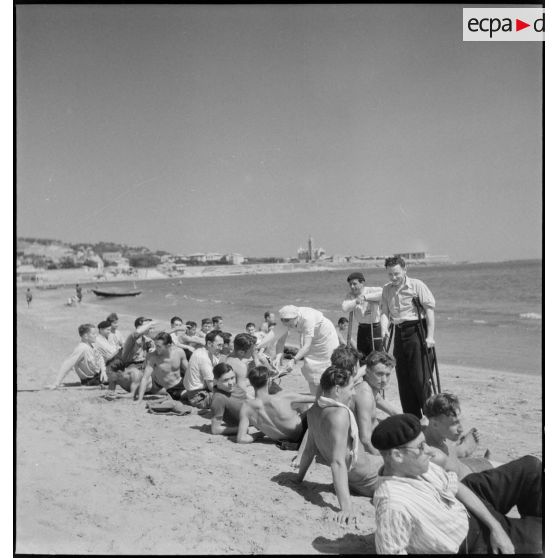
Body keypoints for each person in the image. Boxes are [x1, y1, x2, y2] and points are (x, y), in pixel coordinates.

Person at [371, 413, 542, 554]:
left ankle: (526, 523)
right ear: (397, 456)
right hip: (469, 540)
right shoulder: (393, 505)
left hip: (464, 504)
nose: (429, 451)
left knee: (531, 467)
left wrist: (495, 526)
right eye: (421, 446)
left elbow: (458, 487)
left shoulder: (414, 466)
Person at [294, 366, 384, 524]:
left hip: (353, 481)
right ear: (337, 389)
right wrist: (346, 508)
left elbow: (309, 450)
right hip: (372, 480)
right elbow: (338, 462)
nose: (354, 393)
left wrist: (298, 480)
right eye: (350, 388)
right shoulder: (339, 414)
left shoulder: (314, 410)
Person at [380, 256, 436, 418]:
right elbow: (385, 313)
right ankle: (413, 418)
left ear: (405, 270)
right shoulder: (387, 289)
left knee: (420, 378)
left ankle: (431, 416)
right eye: (390, 274)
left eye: (396, 273)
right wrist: (384, 329)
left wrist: (430, 337)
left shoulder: (417, 285)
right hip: (399, 332)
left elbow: (430, 311)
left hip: (417, 331)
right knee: (403, 379)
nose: (394, 277)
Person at [258, 305, 339, 395]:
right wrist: (277, 357)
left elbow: (307, 346)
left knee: (328, 365)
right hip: (309, 338)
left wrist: (293, 360)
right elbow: (280, 342)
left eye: (288, 320)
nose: (285, 323)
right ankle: (316, 396)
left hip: (325, 337)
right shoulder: (285, 320)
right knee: (310, 367)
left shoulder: (307, 319)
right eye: (283, 320)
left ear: (296, 317)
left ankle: (331, 393)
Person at [237, 366, 315, 445]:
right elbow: (317, 399)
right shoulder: (283, 396)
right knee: (306, 405)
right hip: (305, 433)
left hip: (286, 441)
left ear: (251, 383)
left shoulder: (246, 407)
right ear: (269, 380)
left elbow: (241, 439)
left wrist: (258, 435)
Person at [423, 393, 494, 479]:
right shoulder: (433, 456)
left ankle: (461, 450)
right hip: (472, 480)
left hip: (467, 466)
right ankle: (463, 450)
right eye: (454, 423)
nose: (461, 429)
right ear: (434, 424)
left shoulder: (426, 427)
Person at [352, 351, 399, 455]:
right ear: (367, 372)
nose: (384, 380)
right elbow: (365, 439)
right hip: (364, 452)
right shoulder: (365, 393)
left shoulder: (372, 389)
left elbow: (379, 400)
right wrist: (382, 459)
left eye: (387, 374)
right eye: (379, 374)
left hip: (375, 441)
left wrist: (401, 418)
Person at [48, 324, 107, 388]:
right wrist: (56, 383)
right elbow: (67, 364)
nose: (96, 336)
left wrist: (103, 371)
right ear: (86, 336)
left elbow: (100, 358)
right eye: (93, 334)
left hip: (100, 376)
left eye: (96, 333)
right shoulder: (81, 348)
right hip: (91, 381)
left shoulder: (92, 346)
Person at [136, 332, 188, 403]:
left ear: (168, 345)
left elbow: (188, 371)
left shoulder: (179, 352)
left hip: (183, 382)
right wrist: (139, 399)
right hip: (173, 389)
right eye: (155, 345)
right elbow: (145, 378)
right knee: (190, 395)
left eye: (158, 346)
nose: (156, 348)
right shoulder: (152, 357)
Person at [341, 272, 383, 360]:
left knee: (377, 358)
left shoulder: (371, 290)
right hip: (362, 329)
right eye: (350, 284)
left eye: (354, 284)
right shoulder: (350, 295)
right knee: (362, 357)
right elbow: (345, 308)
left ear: (362, 283)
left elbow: (383, 293)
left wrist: (365, 297)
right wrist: (356, 301)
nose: (352, 286)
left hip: (375, 328)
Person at [183, 330, 224, 408]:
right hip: (198, 396)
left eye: (222, 345)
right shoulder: (204, 358)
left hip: (193, 391)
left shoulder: (201, 350)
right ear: (209, 344)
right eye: (219, 345)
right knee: (228, 398)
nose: (221, 348)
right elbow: (211, 386)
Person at [210, 363, 243, 435]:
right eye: (225, 380)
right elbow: (215, 429)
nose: (231, 383)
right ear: (216, 381)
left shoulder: (231, 387)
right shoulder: (219, 399)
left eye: (232, 378)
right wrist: (240, 429)